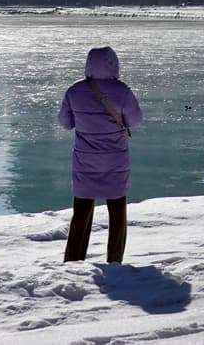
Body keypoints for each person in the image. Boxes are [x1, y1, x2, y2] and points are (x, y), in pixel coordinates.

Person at [58, 46, 142, 263]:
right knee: (117, 211)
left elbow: (65, 124)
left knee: (82, 211)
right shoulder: (122, 91)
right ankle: (115, 260)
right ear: (114, 64)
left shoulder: (74, 91)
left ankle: (73, 260)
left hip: (85, 160)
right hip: (115, 160)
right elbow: (135, 121)